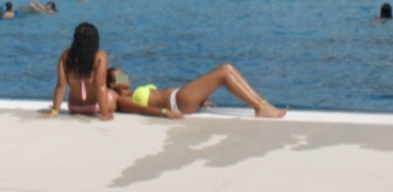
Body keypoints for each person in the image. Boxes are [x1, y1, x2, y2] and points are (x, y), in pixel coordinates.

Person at [105, 64, 285, 119]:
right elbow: (142, 109)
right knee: (224, 72)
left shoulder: (134, 90)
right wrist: (165, 113)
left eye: (124, 74)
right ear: (113, 84)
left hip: (180, 98)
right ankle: (260, 107)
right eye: (120, 77)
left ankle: (262, 104)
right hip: (177, 103)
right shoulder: (122, 100)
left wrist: (200, 99)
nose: (125, 77)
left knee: (228, 70)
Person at [39, 22, 113, 120]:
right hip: (95, 107)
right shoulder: (100, 56)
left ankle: (120, 81)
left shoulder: (65, 56)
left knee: (113, 77)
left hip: (74, 107)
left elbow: (61, 85)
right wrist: (105, 113)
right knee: (116, 85)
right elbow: (101, 86)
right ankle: (125, 82)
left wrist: (55, 111)